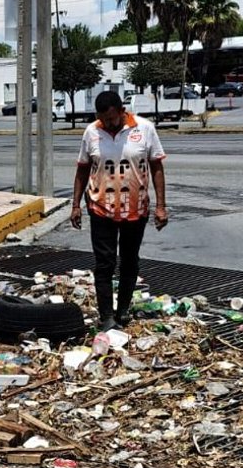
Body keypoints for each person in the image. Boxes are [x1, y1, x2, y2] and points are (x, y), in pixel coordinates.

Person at [70, 91, 169, 330]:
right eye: (104, 120)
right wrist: (75, 206)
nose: (109, 125)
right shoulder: (92, 132)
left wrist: (161, 206)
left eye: (113, 120)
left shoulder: (144, 129)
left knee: (129, 261)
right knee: (104, 263)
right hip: (101, 208)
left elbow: (156, 167)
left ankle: (123, 309)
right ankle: (106, 317)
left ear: (122, 111)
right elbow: (83, 170)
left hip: (136, 209)